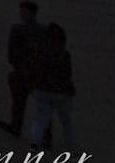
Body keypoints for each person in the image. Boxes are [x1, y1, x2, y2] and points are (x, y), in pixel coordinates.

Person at [23, 20, 76, 149]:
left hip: (42, 89)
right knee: (66, 121)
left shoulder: (39, 53)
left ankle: (35, 144)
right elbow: (67, 74)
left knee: (41, 118)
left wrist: (32, 85)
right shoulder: (64, 54)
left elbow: (34, 70)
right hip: (60, 91)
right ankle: (70, 146)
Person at [8, 1, 43, 136]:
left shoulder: (17, 29)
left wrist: (17, 66)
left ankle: (16, 127)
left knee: (18, 102)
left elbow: (12, 53)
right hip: (38, 72)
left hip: (22, 71)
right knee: (42, 105)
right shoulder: (43, 30)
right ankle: (46, 134)